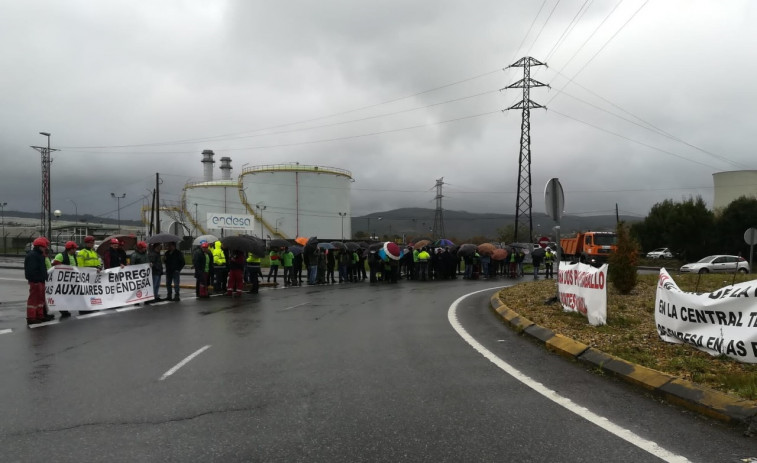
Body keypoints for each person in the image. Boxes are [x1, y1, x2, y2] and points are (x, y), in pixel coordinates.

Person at [25, 237, 54, 324]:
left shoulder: (39, 255)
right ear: (40, 246)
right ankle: (31, 317)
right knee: (34, 300)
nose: (46, 248)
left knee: (40, 300)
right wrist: (36, 279)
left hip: (40, 280)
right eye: (45, 246)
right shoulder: (33, 256)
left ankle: (39, 315)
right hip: (36, 281)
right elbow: (31, 270)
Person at [51, 240, 78, 318]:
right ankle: (63, 309)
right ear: (71, 249)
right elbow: (55, 265)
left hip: (71, 279)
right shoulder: (60, 256)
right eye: (75, 248)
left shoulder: (73, 256)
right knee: (63, 294)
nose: (75, 250)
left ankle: (65, 308)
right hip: (63, 280)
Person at [77, 235, 102, 314]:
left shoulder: (94, 252)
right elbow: (80, 266)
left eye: (93, 243)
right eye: (91, 243)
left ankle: (91, 306)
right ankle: (83, 308)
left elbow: (97, 262)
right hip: (86, 275)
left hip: (93, 275)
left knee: (91, 292)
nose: (92, 244)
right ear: (87, 243)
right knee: (85, 292)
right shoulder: (82, 252)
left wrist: (99, 267)